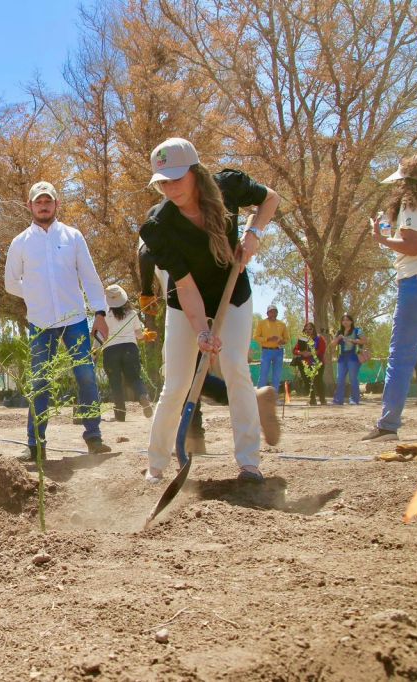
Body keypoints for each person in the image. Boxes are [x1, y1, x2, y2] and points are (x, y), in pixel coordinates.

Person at [138, 137, 281, 484]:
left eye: (177, 178)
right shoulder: (159, 225)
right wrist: (201, 330)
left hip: (232, 295)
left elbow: (270, 199)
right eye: (163, 182)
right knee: (176, 384)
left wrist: (254, 232)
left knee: (234, 366)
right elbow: (184, 286)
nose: (170, 188)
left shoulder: (228, 187)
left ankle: (248, 462)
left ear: (195, 171)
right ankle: (156, 467)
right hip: (187, 300)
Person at [4, 181, 112, 458]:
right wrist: (35, 295)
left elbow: (89, 276)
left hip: (75, 318)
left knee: (86, 376)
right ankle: (36, 444)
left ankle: (94, 437)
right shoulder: (20, 243)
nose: (43, 205)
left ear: (56, 204)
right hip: (40, 323)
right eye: (38, 201)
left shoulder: (73, 237)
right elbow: (10, 282)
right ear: (30, 206)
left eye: (48, 201)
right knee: (40, 381)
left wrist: (100, 314)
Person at [363, 152, 417, 442]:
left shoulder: (413, 203)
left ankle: (388, 425)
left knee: (401, 356)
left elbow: (411, 245)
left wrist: (382, 238)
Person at [100, 285, 152, 422]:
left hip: (110, 351)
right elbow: (139, 335)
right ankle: (143, 396)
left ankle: (120, 414)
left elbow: (100, 336)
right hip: (130, 348)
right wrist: (146, 335)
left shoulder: (104, 315)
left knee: (115, 383)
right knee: (134, 378)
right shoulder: (132, 314)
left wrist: (94, 351)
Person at [332, 314, 367, 407]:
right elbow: (332, 344)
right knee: (340, 379)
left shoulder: (357, 331)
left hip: (353, 356)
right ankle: (338, 400)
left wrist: (354, 341)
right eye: (343, 320)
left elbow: (364, 340)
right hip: (342, 357)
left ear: (351, 321)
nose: (345, 322)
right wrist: (338, 338)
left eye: (347, 320)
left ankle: (354, 400)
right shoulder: (340, 331)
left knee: (353, 378)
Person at [292, 322, 327, 405]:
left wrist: (311, 353)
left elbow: (322, 350)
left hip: (317, 363)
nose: (308, 331)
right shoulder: (302, 339)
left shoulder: (319, 338)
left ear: (313, 329)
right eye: (306, 329)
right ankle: (312, 399)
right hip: (305, 364)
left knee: (318, 381)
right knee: (307, 382)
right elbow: (295, 350)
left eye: (310, 329)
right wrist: (302, 352)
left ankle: (322, 399)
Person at [255, 305, 288, 390]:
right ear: (267, 313)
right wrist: (268, 339)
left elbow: (287, 338)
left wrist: (282, 341)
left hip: (279, 351)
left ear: (277, 313)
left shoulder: (282, 324)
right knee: (263, 374)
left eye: (275, 311)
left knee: (277, 375)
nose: (273, 313)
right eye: (271, 311)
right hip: (266, 351)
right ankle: (260, 396)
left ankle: (274, 397)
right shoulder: (261, 323)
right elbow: (256, 337)